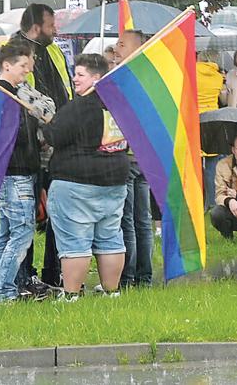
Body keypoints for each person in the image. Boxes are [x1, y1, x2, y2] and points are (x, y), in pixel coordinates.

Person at [43, 54, 130, 301]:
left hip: (76, 183)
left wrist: (48, 121)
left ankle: (71, 295)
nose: (75, 78)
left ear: (97, 78)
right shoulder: (120, 105)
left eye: (80, 74)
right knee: (110, 237)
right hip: (114, 181)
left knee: (74, 241)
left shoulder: (80, 106)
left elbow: (54, 135)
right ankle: (111, 291)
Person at [8, 4, 73, 295]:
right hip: (30, 148)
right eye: (51, 25)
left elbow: (65, 88)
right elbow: (16, 100)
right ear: (36, 26)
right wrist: (40, 131)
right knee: (28, 213)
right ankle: (24, 276)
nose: (55, 30)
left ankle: (53, 271)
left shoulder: (55, 51)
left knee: (57, 209)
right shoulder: (14, 54)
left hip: (58, 141)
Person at [0, 43, 42, 303]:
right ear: (7, 65)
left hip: (17, 171)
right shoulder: (0, 94)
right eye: (23, 66)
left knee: (7, 233)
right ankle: (4, 292)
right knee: (21, 232)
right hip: (14, 172)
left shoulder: (15, 92)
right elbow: (8, 136)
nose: (27, 71)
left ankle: (0, 288)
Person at [113, 30, 153, 288]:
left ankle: (127, 278)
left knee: (128, 220)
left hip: (127, 157)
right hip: (143, 157)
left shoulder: (125, 78)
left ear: (136, 48)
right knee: (143, 220)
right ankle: (145, 277)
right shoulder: (148, 77)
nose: (116, 47)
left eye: (121, 43)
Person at [197, 51, 226, 210]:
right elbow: (222, 99)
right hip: (213, 120)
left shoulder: (191, 72)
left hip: (195, 120)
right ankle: (213, 202)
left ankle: (197, 202)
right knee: (212, 166)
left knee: (195, 165)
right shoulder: (218, 77)